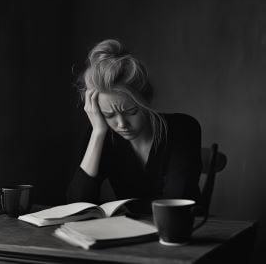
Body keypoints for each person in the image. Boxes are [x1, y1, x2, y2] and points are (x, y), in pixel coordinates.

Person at [67, 39, 202, 213]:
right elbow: (76, 203)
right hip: (128, 232)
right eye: (109, 115)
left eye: (131, 111)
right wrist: (98, 133)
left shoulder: (183, 128)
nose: (121, 124)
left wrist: (121, 209)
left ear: (146, 101)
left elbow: (177, 201)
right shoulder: (99, 136)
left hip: (181, 232)